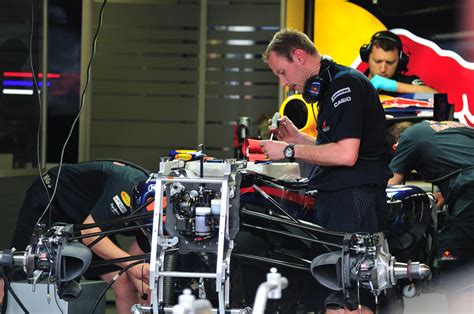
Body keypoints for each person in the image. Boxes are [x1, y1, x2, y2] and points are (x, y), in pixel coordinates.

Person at [260, 29, 393, 313]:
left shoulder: (345, 86)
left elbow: (346, 154)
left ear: (298, 55)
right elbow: (335, 147)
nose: (284, 83)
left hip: (354, 203)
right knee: (336, 293)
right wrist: (297, 140)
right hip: (342, 201)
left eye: (282, 73)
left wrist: (287, 151)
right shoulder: (333, 85)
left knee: (352, 296)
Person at [1, 160, 151, 314]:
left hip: (88, 222)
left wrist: (148, 287)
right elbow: (90, 237)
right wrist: (136, 266)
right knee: (17, 270)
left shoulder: (159, 218)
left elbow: (135, 265)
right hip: (53, 199)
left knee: (124, 283)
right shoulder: (129, 187)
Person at [387, 120, 474, 313]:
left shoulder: (407, 139)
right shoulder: (454, 126)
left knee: (456, 275)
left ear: (396, 147)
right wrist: (443, 196)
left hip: (470, 196)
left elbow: (391, 184)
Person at [360, 30, 438, 95]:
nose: (383, 69)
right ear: (367, 57)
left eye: (390, 63)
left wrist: (394, 86)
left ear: (400, 61)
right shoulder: (354, 82)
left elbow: (439, 99)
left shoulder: (407, 83)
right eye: (378, 61)